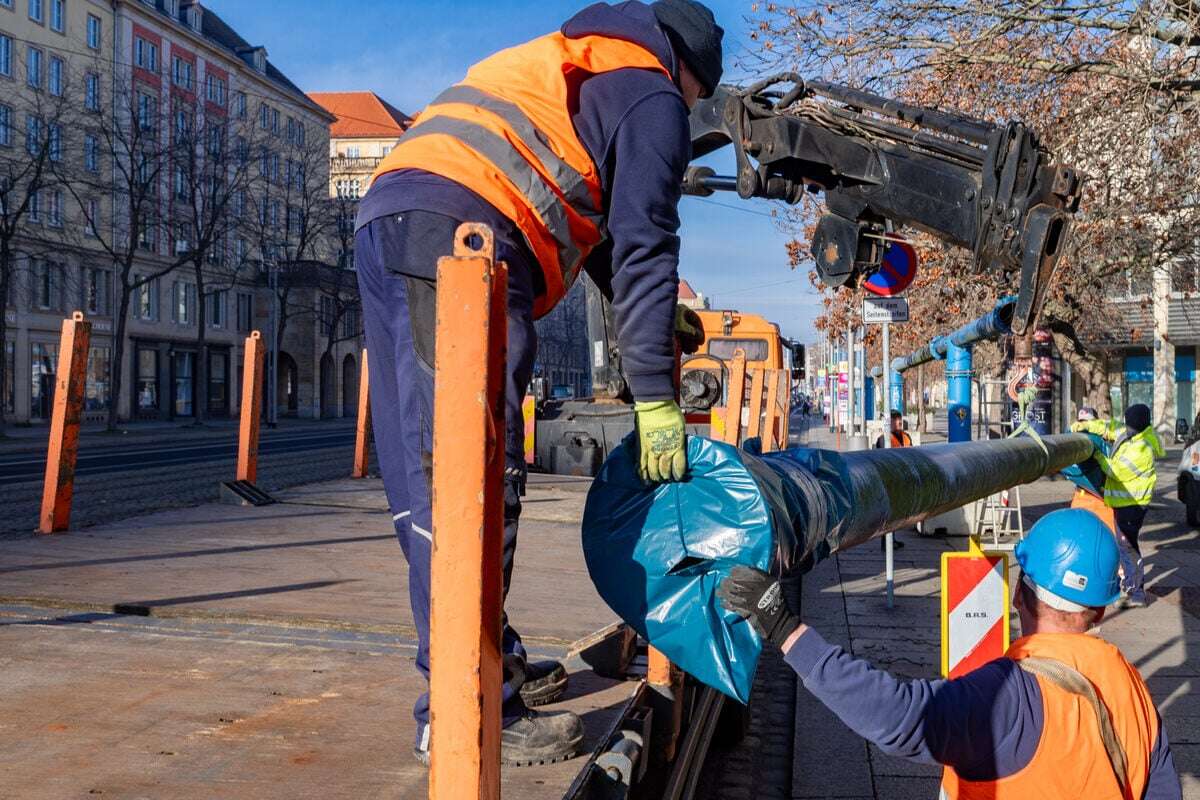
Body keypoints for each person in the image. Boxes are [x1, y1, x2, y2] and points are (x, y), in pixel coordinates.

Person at [354, 0, 724, 766]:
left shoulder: (576, 62)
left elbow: (601, 234)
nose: (689, 114)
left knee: (422, 466)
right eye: (697, 101)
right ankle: (465, 706)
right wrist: (655, 396)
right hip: (469, 232)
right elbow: (646, 246)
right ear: (693, 78)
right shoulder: (655, 96)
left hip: (393, 211)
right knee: (472, 475)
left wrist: (646, 312)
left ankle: (495, 653)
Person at [717, 508, 1181, 799]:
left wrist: (786, 630)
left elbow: (899, 717)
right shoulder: (1132, 688)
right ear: (1099, 610)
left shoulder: (1010, 695)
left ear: (1020, 591)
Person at [1072, 403, 1165, 608]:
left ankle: (1136, 592)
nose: (1126, 428)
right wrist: (1086, 426)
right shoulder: (1132, 434)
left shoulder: (1143, 448)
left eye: (1130, 424)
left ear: (1138, 426)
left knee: (1128, 545)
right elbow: (1108, 427)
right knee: (1124, 545)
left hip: (1133, 505)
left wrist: (1097, 455)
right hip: (1123, 503)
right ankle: (1131, 587)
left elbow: (1116, 471)